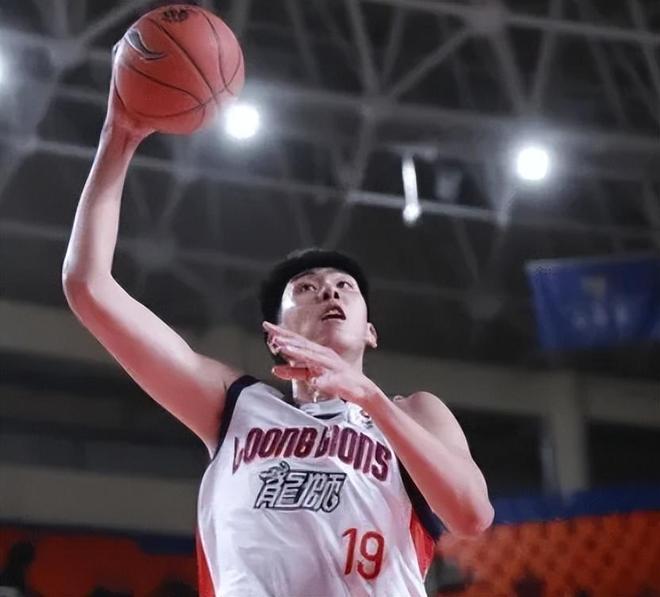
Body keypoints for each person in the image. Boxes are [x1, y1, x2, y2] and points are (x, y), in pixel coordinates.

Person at [62, 54, 494, 597]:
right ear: (276, 331)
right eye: (307, 288)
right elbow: (88, 287)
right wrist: (118, 136)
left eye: (345, 287)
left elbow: (472, 515)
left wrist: (369, 398)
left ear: (370, 331)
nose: (329, 292)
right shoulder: (233, 407)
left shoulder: (413, 413)